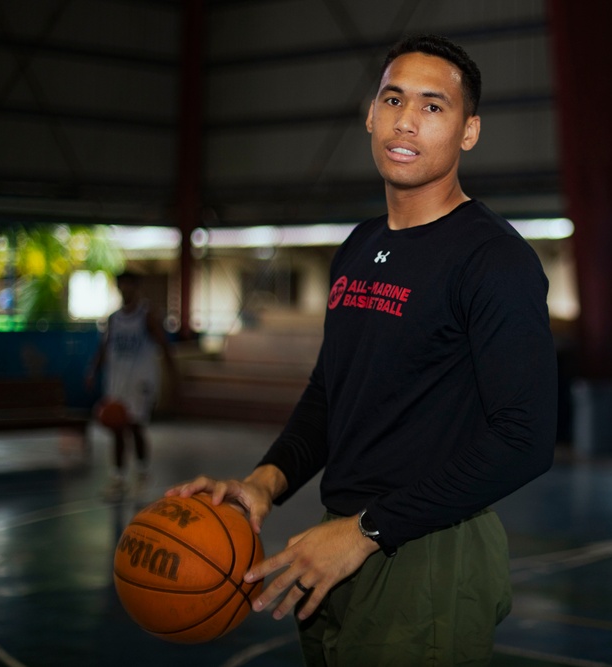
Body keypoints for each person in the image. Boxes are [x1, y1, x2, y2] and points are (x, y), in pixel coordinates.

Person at [166, 34, 557, 665]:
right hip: (337, 540)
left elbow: (525, 439)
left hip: (426, 550)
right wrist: (265, 483)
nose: (407, 119)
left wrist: (366, 531)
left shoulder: (495, 260)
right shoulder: (359, 243)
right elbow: (331, 391)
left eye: (434, 107)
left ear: (469, 131)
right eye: (393, 98)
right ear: (370, 116)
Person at [87, 271, 176, 502]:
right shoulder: (114, 318)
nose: (125, 289)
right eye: (122, 285)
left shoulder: (146, 316)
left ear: (137, 287)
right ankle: (118, 479)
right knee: (116, 428)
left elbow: (163, 344)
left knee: (135, 427)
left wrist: (172, 375)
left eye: (129, 285)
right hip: (116, 381)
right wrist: (93, 371)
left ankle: (142, 473)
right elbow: (104, 348)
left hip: (139, 382)